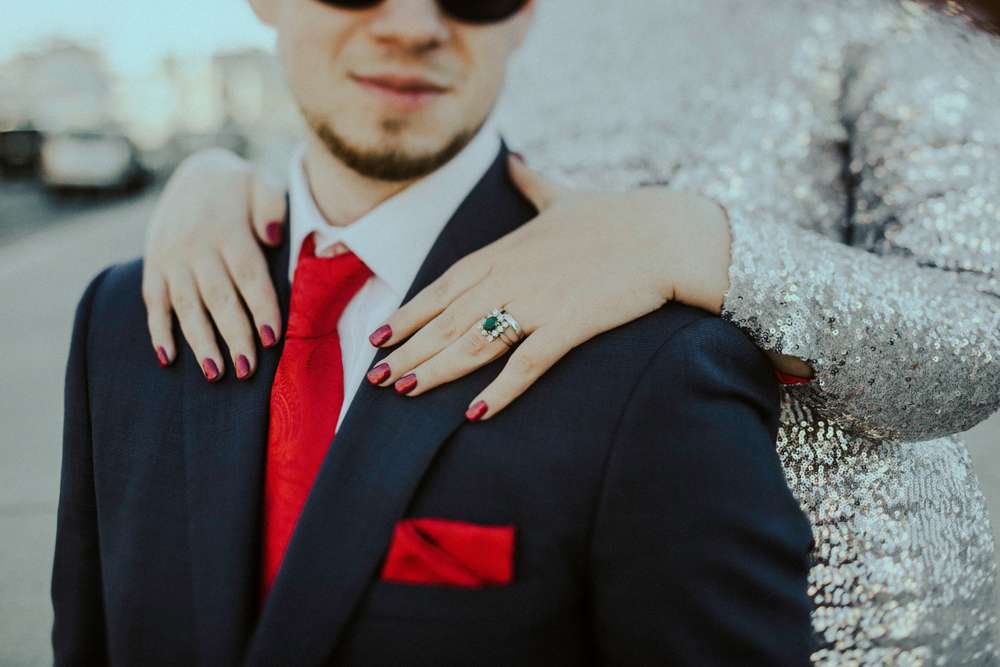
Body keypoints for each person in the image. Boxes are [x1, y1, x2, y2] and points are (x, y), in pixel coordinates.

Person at [140, 0, 1000, 663]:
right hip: (550, 574)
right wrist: (231, 186)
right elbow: (405, 150)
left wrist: (696, 243)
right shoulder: (506, 16)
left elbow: (983, 325)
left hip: (858, 612)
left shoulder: (881, 19)